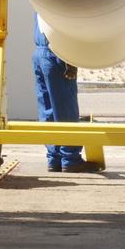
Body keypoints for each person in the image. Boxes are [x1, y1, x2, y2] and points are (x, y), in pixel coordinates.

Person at [32, 15, 98, 173]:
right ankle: (70, 159)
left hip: (40, 53)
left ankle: (54, 158)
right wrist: (70, 60)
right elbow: (67, 23)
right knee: (65, 110)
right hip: (58, 54)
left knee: (48, 109)